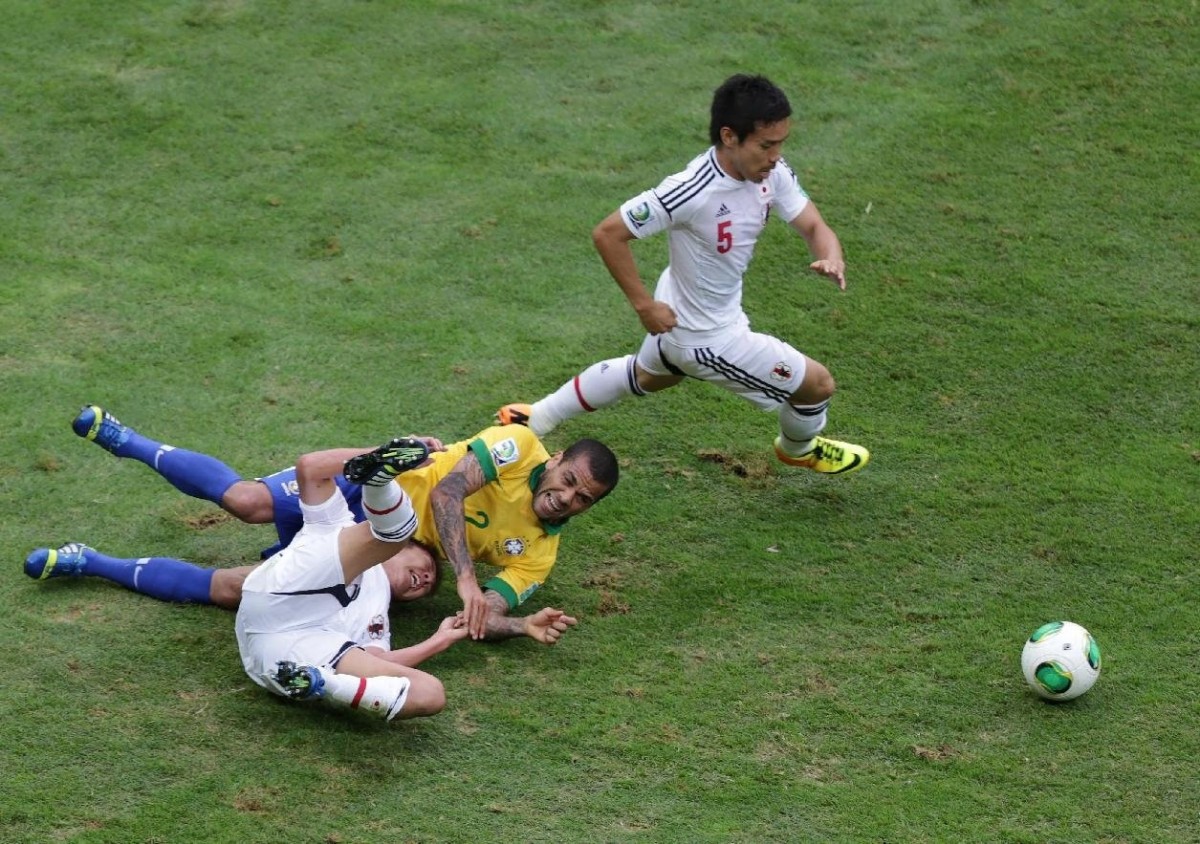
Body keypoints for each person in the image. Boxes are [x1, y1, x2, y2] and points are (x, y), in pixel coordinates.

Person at [496, 74, 869, 475]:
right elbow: (608, 233)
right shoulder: (691, 190)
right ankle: (799, 448)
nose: (776, 155)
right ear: (729, 137)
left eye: (781, 143)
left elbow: (813, 225)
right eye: (766, 145)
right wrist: (644, 306)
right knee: (817, 386)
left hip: (687, 308)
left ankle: (537, 417)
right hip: (706, 337)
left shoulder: (771, 173)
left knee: (648, 375)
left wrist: (831, 255)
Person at [46, 404, 619, 640]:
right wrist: (467, 577)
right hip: (370, 484)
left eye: (582, 500)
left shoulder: (538, 554)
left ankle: (91, 563)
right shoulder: (519, 444)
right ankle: (128, 440)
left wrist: (517, 624)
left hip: (386, 541)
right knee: (246, 502)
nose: (566, 499)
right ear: (557, 459)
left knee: (235, 590)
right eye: (569, 481)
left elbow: (484, 612)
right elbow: (449, 492)